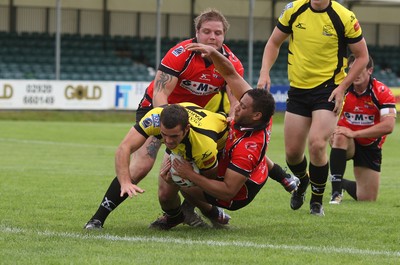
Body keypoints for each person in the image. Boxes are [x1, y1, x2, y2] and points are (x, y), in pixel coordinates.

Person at [84, 8, 298, 229]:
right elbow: (160, 93)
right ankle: (99, 217)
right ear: (197, 32)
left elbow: (237, 101)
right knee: (141, 166)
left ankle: (183, 212)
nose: (212, 37)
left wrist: (231, 119)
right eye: (206, 32)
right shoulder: (181, 54)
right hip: (159, 111)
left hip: (192, 121)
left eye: (217, 33)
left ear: (224, 36)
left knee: (202, 166)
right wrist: (167, 129)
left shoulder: (229, 62)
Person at [257, 0, 369, 216]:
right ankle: (304, 181)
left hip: (329, 89)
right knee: (292, 154)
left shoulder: (345, 17)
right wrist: (264, 72)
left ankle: (316, 202)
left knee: (317, 144)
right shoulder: (293, 10)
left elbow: (362, 56)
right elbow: (273, 43)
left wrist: (343, 87)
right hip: (298, 89)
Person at [158, 43, 276, 226]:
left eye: (242, 106)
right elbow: (230, 74)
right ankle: (284, 177)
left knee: (183, 178)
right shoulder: (258, 113)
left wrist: (190, 175)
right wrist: (214, 53)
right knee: (194, 161)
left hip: (239, 193)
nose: (236, 106)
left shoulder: (247, 148)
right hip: (249, 169)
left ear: (256, 115)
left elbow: (228, 191)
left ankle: (213, 213)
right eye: (240, 102)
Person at [84, 102, 229, 229]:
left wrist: (188, 177)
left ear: (186, 129)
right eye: (164, 134)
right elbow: (124, 148)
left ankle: (211, 213)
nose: (167, 141)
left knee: (190, 186)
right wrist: (125, 182)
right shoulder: (154, 118)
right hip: (185, 144)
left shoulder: (204, 145)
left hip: (222, 145)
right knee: (165, 195)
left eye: (173, 136)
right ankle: (97, 220)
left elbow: (210, 180)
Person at [329, 54, 396, 204]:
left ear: (370, 70)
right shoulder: (342, 89)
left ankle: (343, 183)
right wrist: (332, 131)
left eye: (360, 70)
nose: (356, 74)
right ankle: (335, 192)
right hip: (346, 140)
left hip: (370, 145)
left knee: (367, 198)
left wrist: (355, 133)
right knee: (340, 135)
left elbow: (389, 126)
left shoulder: (381, 92)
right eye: (352, 70)